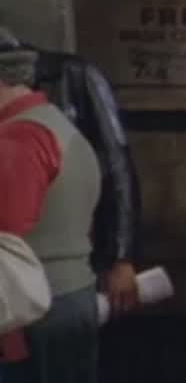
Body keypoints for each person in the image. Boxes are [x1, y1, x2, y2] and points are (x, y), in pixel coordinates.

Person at [0, 40, 103, 383]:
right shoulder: (54, 123)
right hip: (69, 298)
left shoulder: (18, 140)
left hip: (34, 314)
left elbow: (5, 241)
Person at [0, 27, 143, 317]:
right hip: (54, 283)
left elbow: (117, 167)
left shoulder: (71, 77)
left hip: (53, 280)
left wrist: (121, 257)